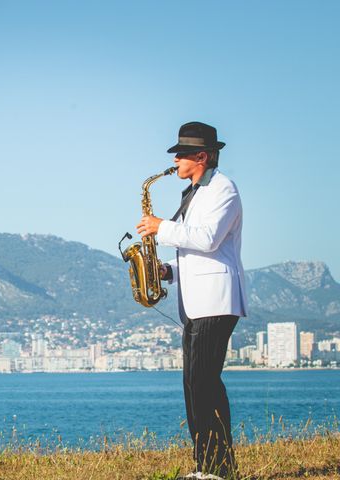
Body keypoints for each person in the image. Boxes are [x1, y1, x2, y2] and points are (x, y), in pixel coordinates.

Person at [136, 121, 247, 479]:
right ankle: (210, 467)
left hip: (216, 302)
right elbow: (198, 252)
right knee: (195, 385)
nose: (176, 161)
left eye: (182, 154)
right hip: (198, 303)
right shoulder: (196, 192)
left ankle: (216, 469)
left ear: (201, 156)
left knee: (204, 384)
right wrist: (168, 270)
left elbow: (209, 238)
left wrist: (160, 227)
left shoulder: (223, 190)